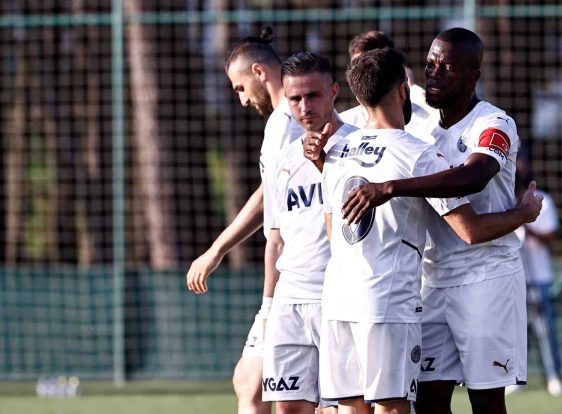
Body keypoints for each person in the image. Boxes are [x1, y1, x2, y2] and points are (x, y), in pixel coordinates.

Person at [303, 47, 541, 414]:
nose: (434, 73)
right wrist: (523, 214)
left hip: (485, 277)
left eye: (446, 66)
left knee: (485, 398)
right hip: (425, 284)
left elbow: (475, 180)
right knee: (423, 400)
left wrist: (388, 186)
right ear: (404, 87)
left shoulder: (492, 123)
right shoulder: (419, 138)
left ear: (473, 72)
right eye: (430, 65)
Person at [185, 28, 304, 414]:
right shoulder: (289, 121)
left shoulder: (286, 122)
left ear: (259, 71)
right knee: (249, 382)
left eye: (239, 88)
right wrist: (217, 249)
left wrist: (216, 250)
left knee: (296, 398)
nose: (241, 100)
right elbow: (269, 192)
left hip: (299, 278)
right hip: (294, 275)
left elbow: (275, 214)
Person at [260, 51, 357, 414]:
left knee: (342, 409)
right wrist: (268, 308)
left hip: (340, 299)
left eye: (313, 95)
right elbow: (277, 239)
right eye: (295, 99)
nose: (304, 106)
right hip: (290, 300)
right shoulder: (283, 160)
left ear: (333, 91)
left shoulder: (358, 149)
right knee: (288, 408)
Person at [506, 148, 562, 397]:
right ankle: (513, 377)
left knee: (545, 329)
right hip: (511, 276)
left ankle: (555, 377)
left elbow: (550, 235)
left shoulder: (542, 199)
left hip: (539, 277)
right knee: (512, 330)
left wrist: (523, 220)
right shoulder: (503, 199)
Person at [339, 30, 435, 130]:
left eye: (369, 69)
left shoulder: (426, 121)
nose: (361, 76)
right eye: (356, 68)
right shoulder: (343, 124)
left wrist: (413, 89)